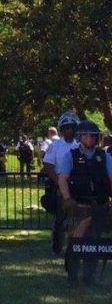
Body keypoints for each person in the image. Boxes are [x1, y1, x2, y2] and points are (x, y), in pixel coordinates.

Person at [57, 120, 112, 286]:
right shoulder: (70, 155)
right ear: (80, 137)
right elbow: (62, 179)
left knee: (94, 243)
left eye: (93, 136)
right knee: (75, 242)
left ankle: (89, 277)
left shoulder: (105, 156)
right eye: (86, 135)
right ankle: (72, 277)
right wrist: (68, 200)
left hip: (99, 206)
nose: (90, 138)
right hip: (78, 207)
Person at [43, 112, 80, 255]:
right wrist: (59, 183)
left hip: (78, 185)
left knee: (78, 218)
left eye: (71, 127)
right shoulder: (55, 145)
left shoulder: (80, 145)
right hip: (59, 186)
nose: (68, 130)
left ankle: (76, 247)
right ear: (62, 129)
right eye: (65, 128)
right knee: (60, 218)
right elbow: (48, 165)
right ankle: (57, 247)